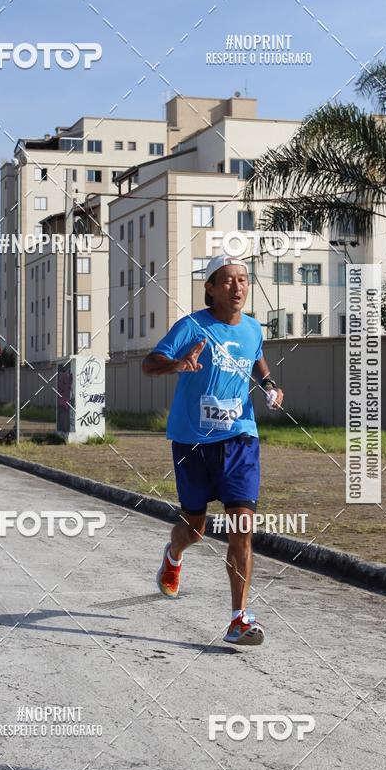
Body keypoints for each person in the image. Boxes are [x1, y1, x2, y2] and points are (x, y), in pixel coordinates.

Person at [142, 255, 284, 647]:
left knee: (242, 527)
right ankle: (173, 555)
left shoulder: (253, 328)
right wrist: (176, 365)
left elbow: (255, 356)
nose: (237, 287)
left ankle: (239, 618)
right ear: (210, 287)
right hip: (192, 442)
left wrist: (270, 383)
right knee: (195, 528)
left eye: (243, 280)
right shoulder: (191, 326)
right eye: (227, 281)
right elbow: (149, 363)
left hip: (240, 439)